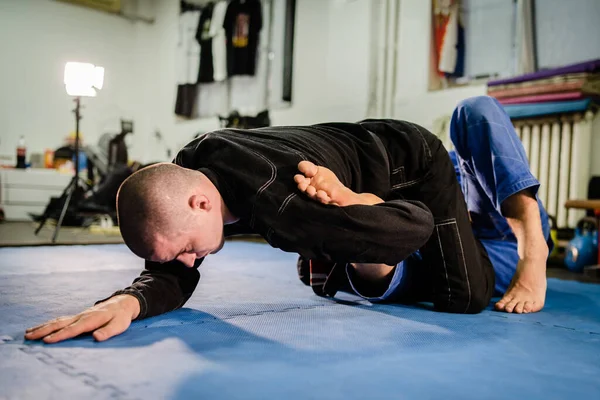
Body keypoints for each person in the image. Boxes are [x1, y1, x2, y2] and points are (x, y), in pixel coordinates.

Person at [25, 96, 551, 344]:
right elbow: (172, 265)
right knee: (353, 267)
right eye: (179, 255)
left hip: (417, 169)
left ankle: (533, 247)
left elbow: (414, 224)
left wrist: (349, 200)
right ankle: (479, 210)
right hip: (379, 155)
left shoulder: (289, 207)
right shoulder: (192, 164)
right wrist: (132, 298)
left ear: (201, 205)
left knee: (464, 298)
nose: (189, 260)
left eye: (185, 249)